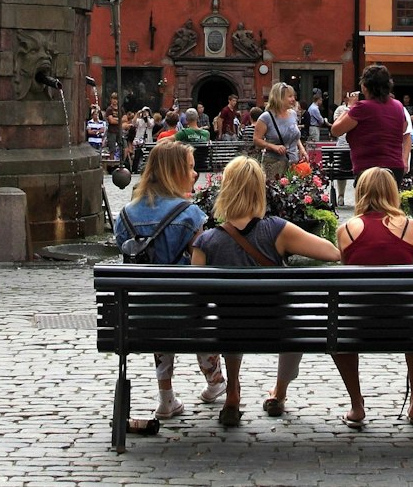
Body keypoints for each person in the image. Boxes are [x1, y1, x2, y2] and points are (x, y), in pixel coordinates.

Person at [191, 157, 341, 427]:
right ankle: (279, 391)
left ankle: (233, 391)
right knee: (296, 325)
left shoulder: (205, 241)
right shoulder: (277, 230)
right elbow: (331, 252)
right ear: (259, 190)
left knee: (229, 321)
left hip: (228, 329)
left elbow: (197, 301)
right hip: (277, 328)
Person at [113, 141, 221, 431]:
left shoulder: (124, 215)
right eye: (190, 167)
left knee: (158, 305)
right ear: (175, 172)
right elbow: (201, 266)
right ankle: (215, 380)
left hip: (140, 317)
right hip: (187, 314)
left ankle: (166, 397)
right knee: (196, 302)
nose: (195, 173)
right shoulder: (189, 214)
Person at [332, 167, 413, 428]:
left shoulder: (346, 230)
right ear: (393, 193)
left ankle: (357, 405)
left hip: (359, 321)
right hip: (406, 320)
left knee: (339, 339)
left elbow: (347, 272)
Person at [330, 64, 409, 178]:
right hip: (394, 168)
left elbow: (336, 130)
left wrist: (349, 106)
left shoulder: (361, 107)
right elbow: (403, 128)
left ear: (365, 86)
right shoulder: (398, 105)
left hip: (368, 169)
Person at [253, 82, 306, 180]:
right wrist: (273, 146)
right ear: (279, 98)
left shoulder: (293, 114)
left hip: (293, 162)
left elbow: (294, 134)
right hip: (274, 164)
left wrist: (301, 148)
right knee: (276, 193)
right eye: (290, 96)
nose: (293, 99)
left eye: (293, 96)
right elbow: (256, 140)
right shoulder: (266, 117)